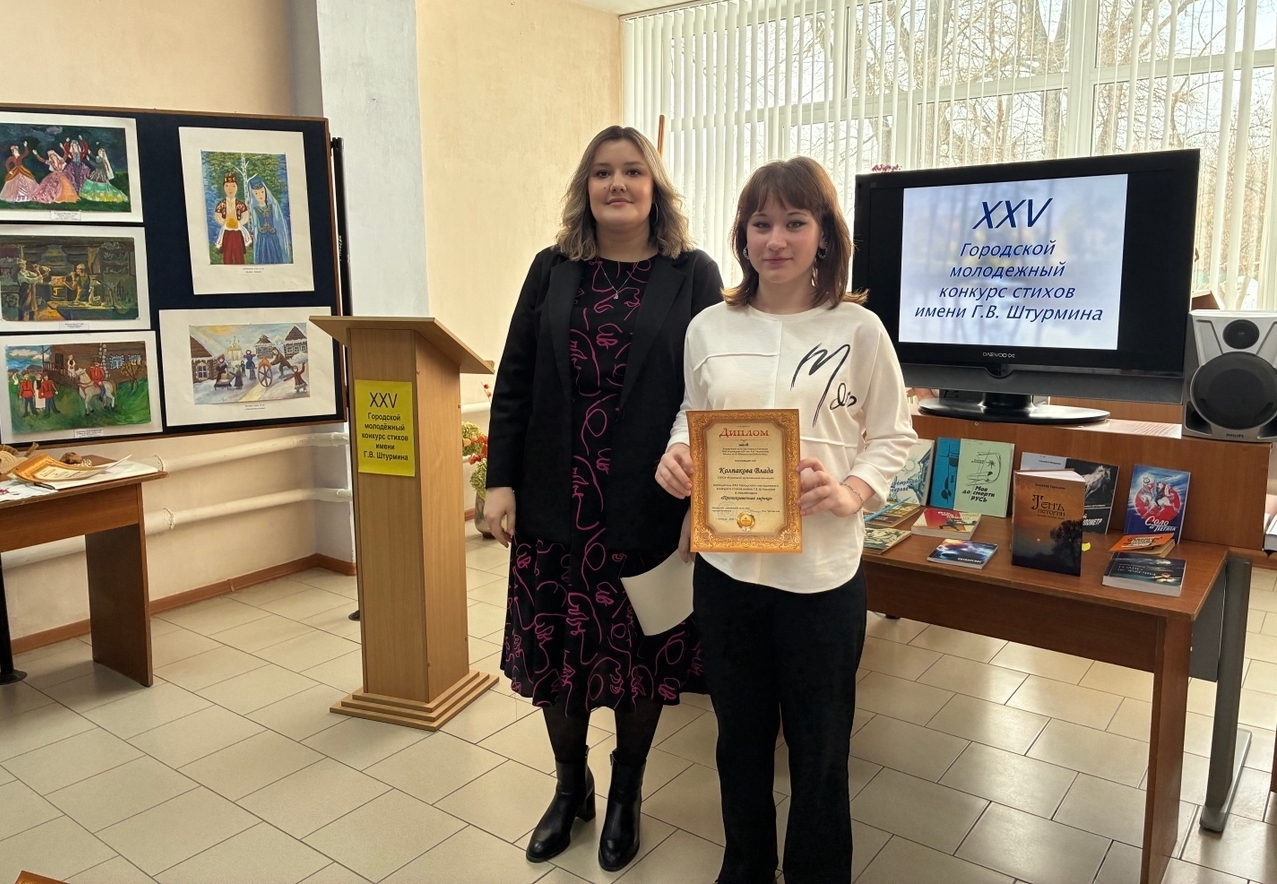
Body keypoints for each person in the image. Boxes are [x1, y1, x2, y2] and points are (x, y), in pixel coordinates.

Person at [656, 157, 917, 884]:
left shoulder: (859, 329)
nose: (776, 239)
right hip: (727, 572)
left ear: (824, 234)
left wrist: (853, 490)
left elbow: (893, 433)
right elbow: (693, 414)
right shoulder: (709, 327)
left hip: (822, 578)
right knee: (738, 738)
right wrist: (676, 453)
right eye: (760, 223)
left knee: (819, 746)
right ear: (741, 235)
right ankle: (744, 867)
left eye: (795, 222)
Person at [485, 125, 723, 872]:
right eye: (601, 172)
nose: (617, 184)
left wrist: (701, 500)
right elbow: (514, 379)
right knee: (559, 654)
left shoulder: (692, 273)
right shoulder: (552, 269)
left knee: (637, 657)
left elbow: (712, 390)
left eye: (632, 171)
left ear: (655, 187)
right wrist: (498, 480)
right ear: (584, 188)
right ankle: (569, 788)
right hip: (555, 499)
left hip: (648, 501)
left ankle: (626, 793)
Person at [247, 176, 291, 264]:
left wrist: (276, 205)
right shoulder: (255, 209)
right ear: (253, 195)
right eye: (256, 193)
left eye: (262, 192)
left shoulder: (272, 206)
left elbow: (277, 218)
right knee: (263, 255)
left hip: (272, 236)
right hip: (262, 237)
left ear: (266, 192)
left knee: (275, 254)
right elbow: (255, 224)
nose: (260, 195)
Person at [214, 173, 252, 264]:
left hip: (238, 232)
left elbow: (245, 216)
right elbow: (218, 216)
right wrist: (225, 222)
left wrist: (238, 223)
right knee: (227, 253)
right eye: (227, 186)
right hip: (226, 232)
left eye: (233, 186)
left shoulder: (241, 205)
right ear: (224, 188)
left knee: (239, 253)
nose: (230, 189)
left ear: (237, 187)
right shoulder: (221, 204)